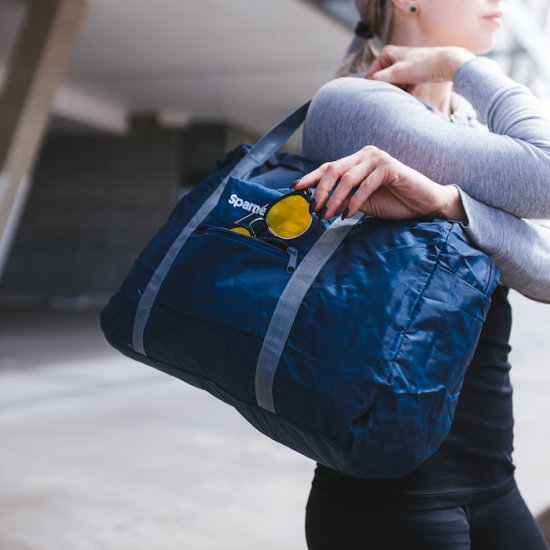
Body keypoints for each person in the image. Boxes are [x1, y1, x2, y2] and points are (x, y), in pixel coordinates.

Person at [291, 0, 550, 548]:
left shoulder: (463, 131)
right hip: (389, 507)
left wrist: (451, 204)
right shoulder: (353, 105)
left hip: (492, 486)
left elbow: (546, 274)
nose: (496, 2)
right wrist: (459, 63)